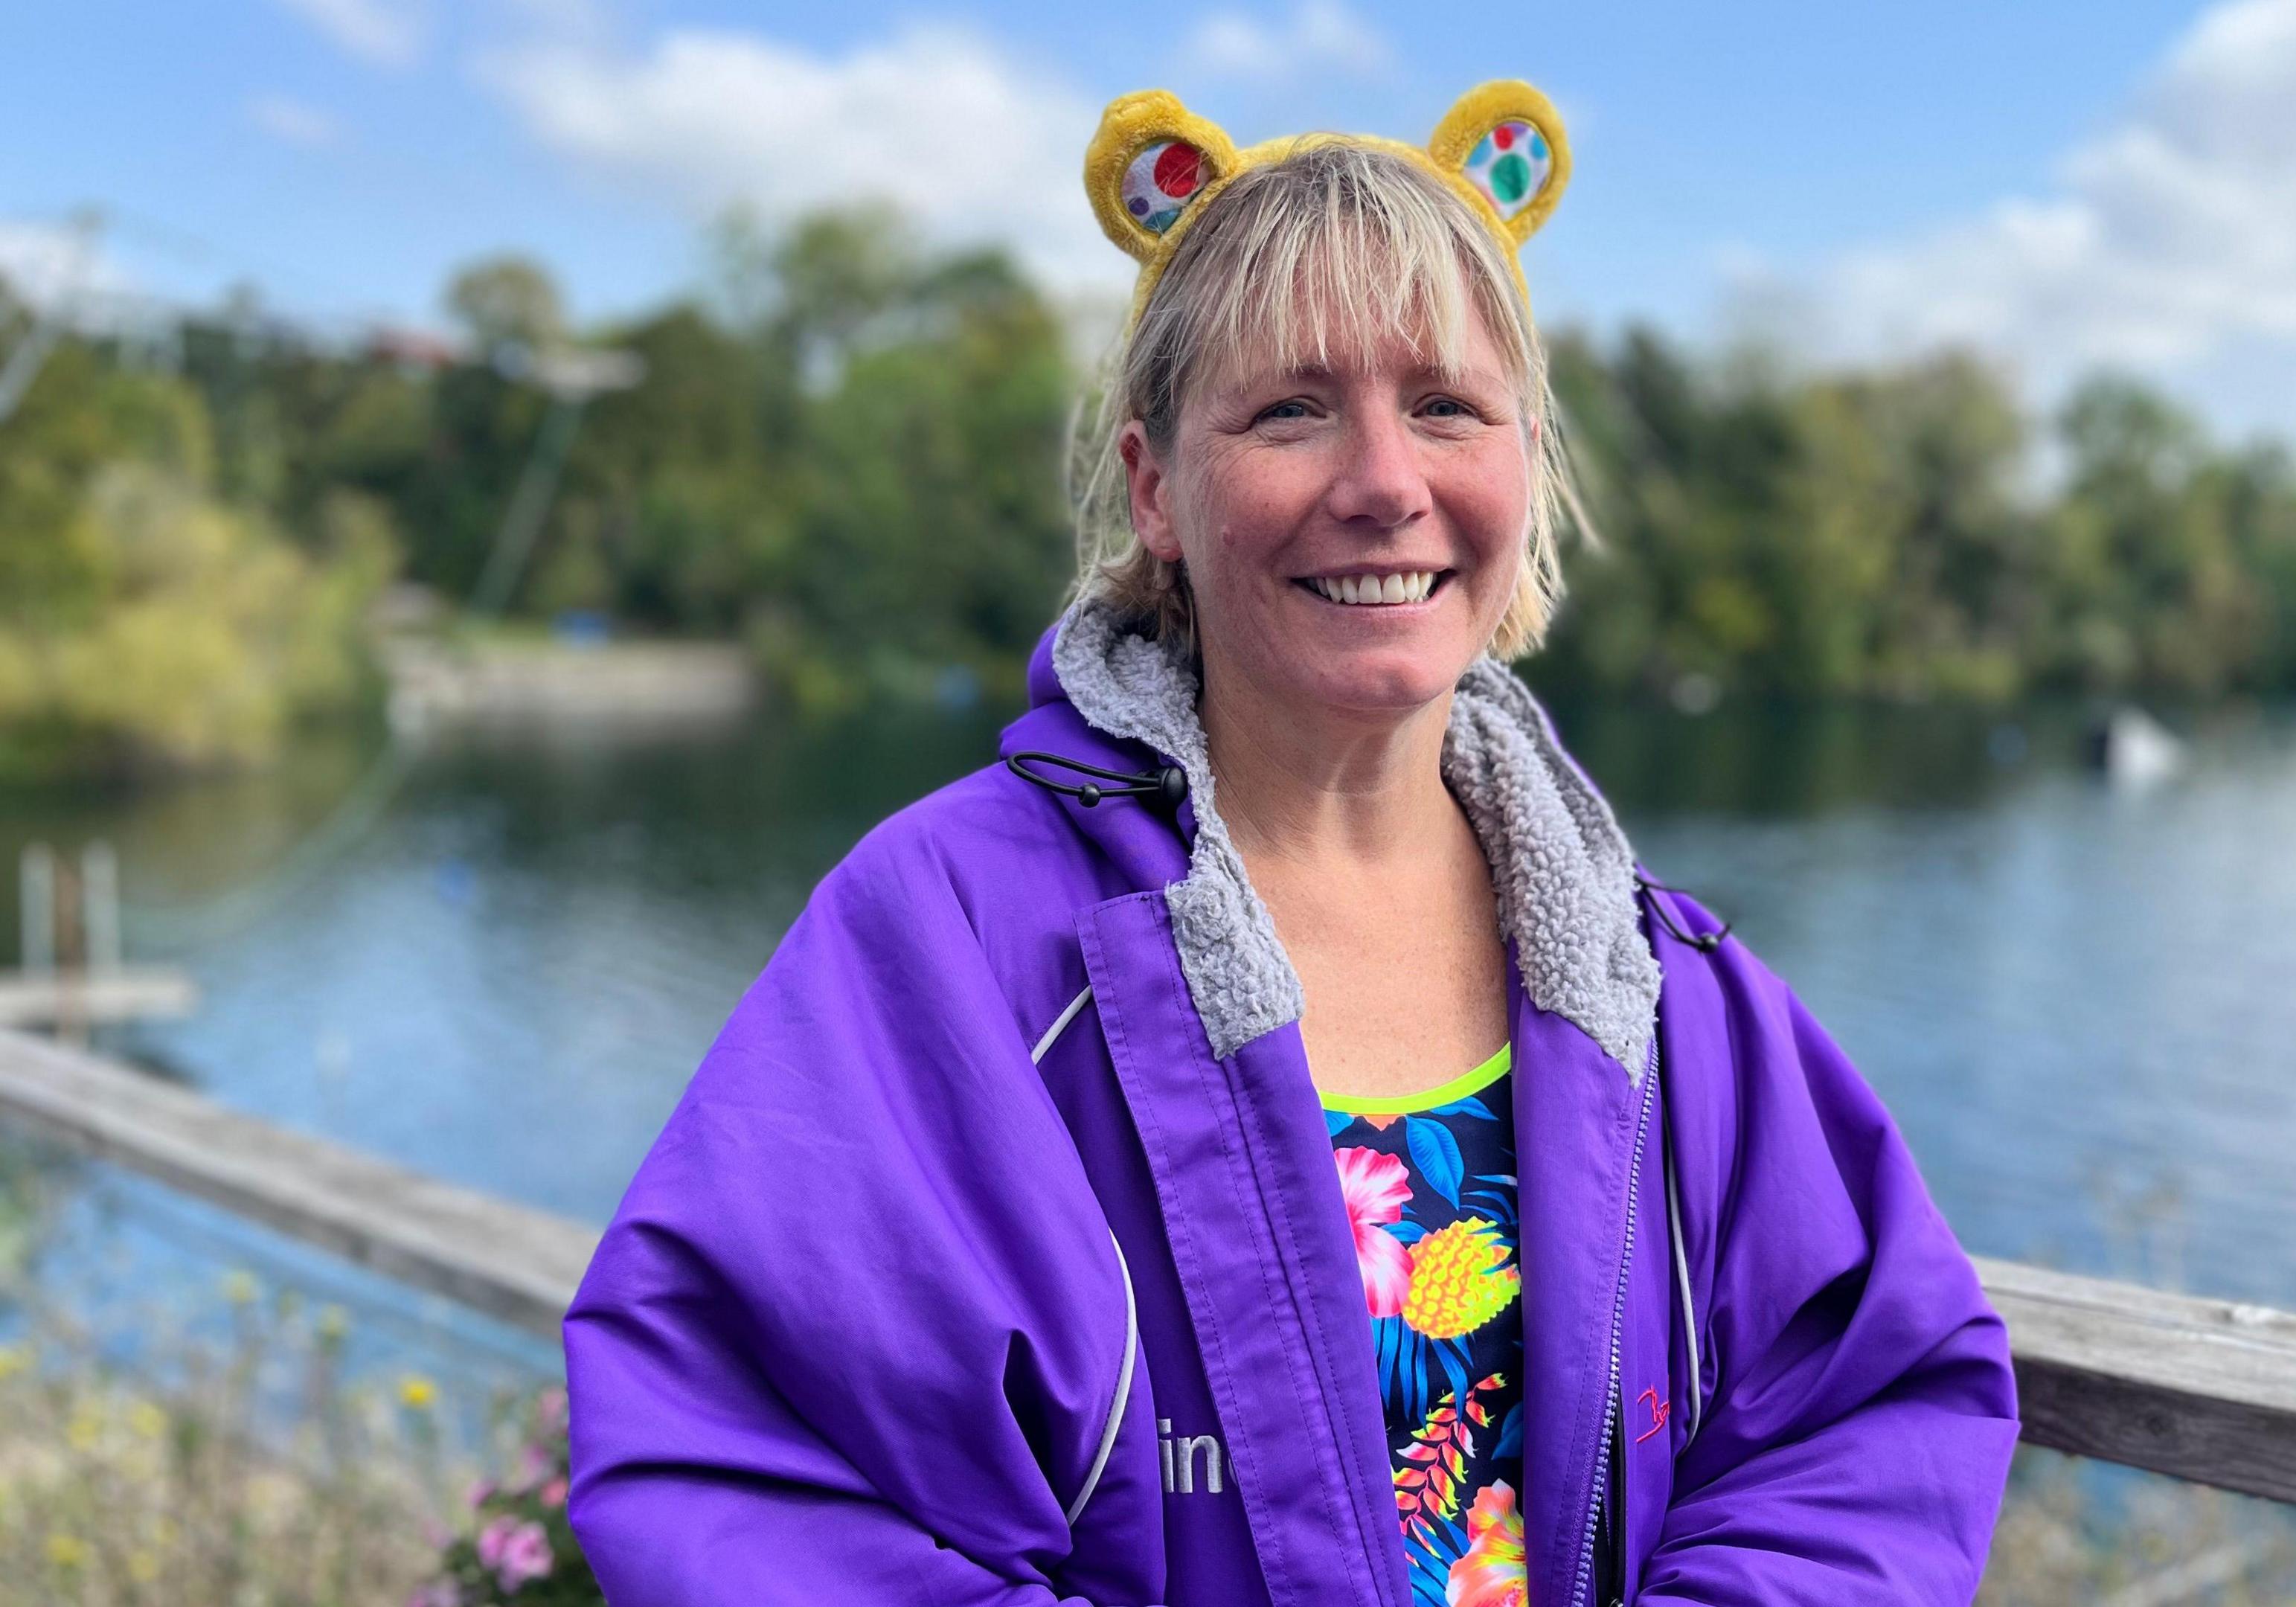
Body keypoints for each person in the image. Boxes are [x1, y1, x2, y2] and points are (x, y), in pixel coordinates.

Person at [565, 80, 2018, 1607]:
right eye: (1291, 410)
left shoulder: (1659, 985)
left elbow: (1869, 1402)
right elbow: (743, 1466)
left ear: (1524, 466)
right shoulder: (949, 938)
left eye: (1448, 407)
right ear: (1157, 488)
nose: (1387, 483)